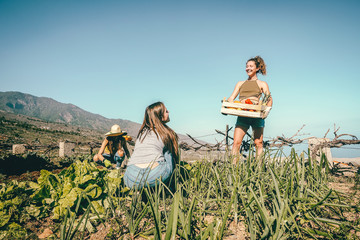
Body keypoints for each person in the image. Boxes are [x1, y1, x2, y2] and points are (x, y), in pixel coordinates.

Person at [227, 56, 273, 162]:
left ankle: (259, 169)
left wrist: (267, 110)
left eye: (251, 66)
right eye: (247, 66)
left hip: (256, 115)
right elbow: (231, 98)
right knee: (236, 143)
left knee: (258, 143)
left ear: (257, 68)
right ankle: (234, 170)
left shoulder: (262, 84)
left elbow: (269, 98)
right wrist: (227, 105)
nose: (248, 68)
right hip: (242, 115)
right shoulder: (240, 83)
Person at [124, 102, 179, 189]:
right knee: (168, 151)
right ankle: (170, 183)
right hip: (155, 176)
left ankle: (139, 189)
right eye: (166, 111)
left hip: (131, 178)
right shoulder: (167, 133)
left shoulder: (142, 133)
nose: (168, 111)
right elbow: (175, 157)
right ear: (160, 116)